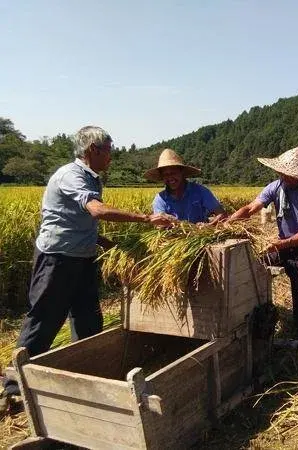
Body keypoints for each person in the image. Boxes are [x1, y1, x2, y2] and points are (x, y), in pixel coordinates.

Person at [0, 126, 171, 410]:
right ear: (93, 150)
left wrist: (106, 243)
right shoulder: (72, 175)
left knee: (88, 318)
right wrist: (146, 218)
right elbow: (97, 211)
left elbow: (83, 223)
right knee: (45, 317)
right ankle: (14, 388)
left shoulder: (92, 178)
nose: (111, 158)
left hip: (83, 257)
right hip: (58, 257)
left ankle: (84, 373)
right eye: (109, 152)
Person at [228, 147, 298, 353]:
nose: (284, 176)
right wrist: (228, 223)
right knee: (252, 264)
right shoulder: (275, 187)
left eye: (289, 174)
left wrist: (282, 243)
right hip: (282, 247)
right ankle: (253, 320)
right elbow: (250, 208)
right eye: (281, 172)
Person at [144, 148, 226, 224]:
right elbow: (160, 225)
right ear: (162, 177)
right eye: (165, 174)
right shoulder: (160, 199)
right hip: (174, 237)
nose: (170, 177)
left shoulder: (200, 191)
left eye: (173, 173)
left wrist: (208, 226)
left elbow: (222, 214)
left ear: (182, 173)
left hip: (201, 232)